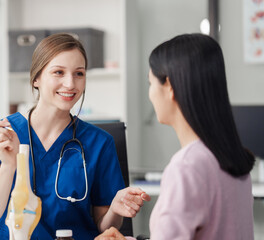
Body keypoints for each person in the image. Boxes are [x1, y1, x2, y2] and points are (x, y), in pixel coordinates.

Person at [0, 33, 150, 240]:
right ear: (36, 79)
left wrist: (115, 209)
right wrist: (9, 165)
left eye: (79, 74)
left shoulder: (99, 143)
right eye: (59, 72)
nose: (70, 84)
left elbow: (104, 227)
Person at [95, 33, 255, 240]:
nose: (150, 94)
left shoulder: (187, 167)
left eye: (150, 83)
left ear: (169, 86)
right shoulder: (234, 159)